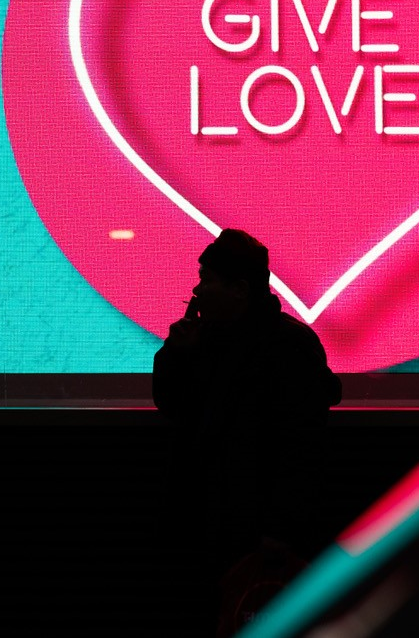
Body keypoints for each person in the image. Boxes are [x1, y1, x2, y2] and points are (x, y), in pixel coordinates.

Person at [153, 229, 341, 632]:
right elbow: (171, 403)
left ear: (238, 289)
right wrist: (175, 355)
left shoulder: (286, 348)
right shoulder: (206, 341)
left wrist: (280, 527)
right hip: (210, 518)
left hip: (249, 525)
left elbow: (301, 446)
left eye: (207, 278)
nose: (197, 290)